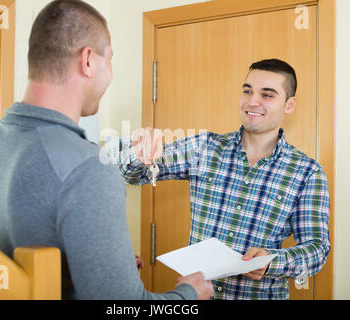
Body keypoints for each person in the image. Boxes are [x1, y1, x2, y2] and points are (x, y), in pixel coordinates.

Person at [0, 0, 213, 300]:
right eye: (111, 60)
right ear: (89, 61)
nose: (111, 72)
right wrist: (189, 295)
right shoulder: (89, 167)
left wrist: (105, 266)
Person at [119, 58, 331, 300]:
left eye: (267, 95)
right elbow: (131, 174)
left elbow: (317, 249)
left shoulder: (307, 172)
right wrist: (139, 150)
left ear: (289, 105)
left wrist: (273, 262)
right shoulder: (204, 148)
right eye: (247, 91)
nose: (253, 101)